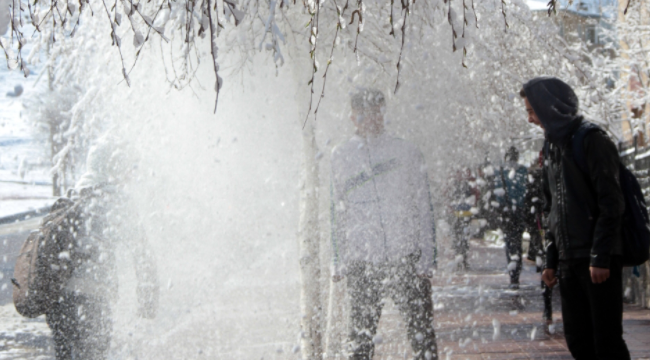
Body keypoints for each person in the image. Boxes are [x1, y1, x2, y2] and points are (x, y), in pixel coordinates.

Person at [521, 77, 630, 359]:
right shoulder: (552, 147)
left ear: (549, 107)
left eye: (532, 111)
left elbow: (612, 202)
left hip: (597, 261)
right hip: (569, 261)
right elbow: (551, 208)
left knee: (606, 342)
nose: (530, 119)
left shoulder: (591, 139)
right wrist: (551, 259)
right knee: (578, 341)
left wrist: (601, 256)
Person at [330, 88, 438, 360]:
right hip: (362, 261)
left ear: (383, 113)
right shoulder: (340, 156)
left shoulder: (406, 152)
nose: (371, 120)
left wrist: (427, 255)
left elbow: (424, 206)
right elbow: (337, 211)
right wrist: (338, 259)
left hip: (406, 258)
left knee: (422, 336)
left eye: (376, 112)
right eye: (363, 114)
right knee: (360, 341)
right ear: (353, 117)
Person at [45, 136, 159, 360]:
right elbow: (142, 252)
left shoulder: (74, 196)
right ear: (112, 165)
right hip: (93, 300)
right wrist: (147, 296)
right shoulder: (117, 201)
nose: (128, 174)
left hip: (59, 300)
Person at [524, 154, 553, 327]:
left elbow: (527, 207)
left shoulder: (538, 177)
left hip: (545, 230)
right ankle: (548, 306)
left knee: (546, 268)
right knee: (548, 268)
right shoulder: (547, 176)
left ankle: (548, 306)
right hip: (546, 230)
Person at [493, 146, 527, 289]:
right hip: (519, 211)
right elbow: (525, 191)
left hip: (506, 212)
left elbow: (497, 193)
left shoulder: (501, 171)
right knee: (517, 241)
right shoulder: (523, 171)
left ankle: (512, 271)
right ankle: (516, 271)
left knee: (509, 241)